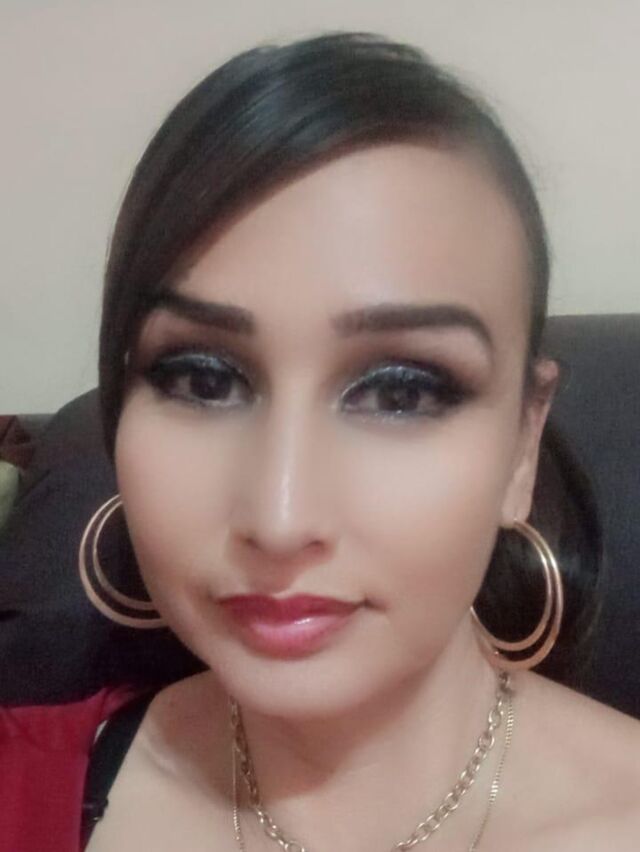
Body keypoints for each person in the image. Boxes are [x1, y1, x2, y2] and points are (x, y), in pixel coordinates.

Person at [71, 31, 640, 851]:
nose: (280, 519)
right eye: (203, 380)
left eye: (401, 391)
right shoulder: (32, 782)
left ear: (524, 442)